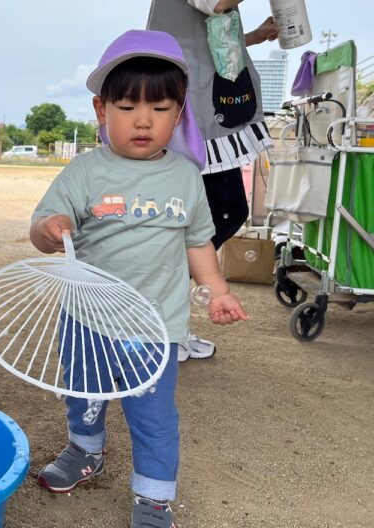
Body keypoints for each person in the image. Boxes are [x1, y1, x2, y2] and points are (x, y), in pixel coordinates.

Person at [30, 30, 248, 527]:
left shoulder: (186, 177)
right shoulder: (84, 172)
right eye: (127, 107)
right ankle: (85, 450)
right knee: (83, 396)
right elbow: (43, 227)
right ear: (101, 110)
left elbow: (198, 244)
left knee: (153, 417)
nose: (144, 120)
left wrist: (218, 291)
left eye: (161, 108)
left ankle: (152, 497)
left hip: (155, 327)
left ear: (180, 113)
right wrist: (49, 229)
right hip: (86, 317)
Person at [148, 0, 278, 361]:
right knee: (214, 212)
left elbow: (208, 40)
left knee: (207, 215)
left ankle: (162, 322)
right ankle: (158, 324)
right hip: (197, 119)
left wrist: (254, 35)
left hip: (205, 114)